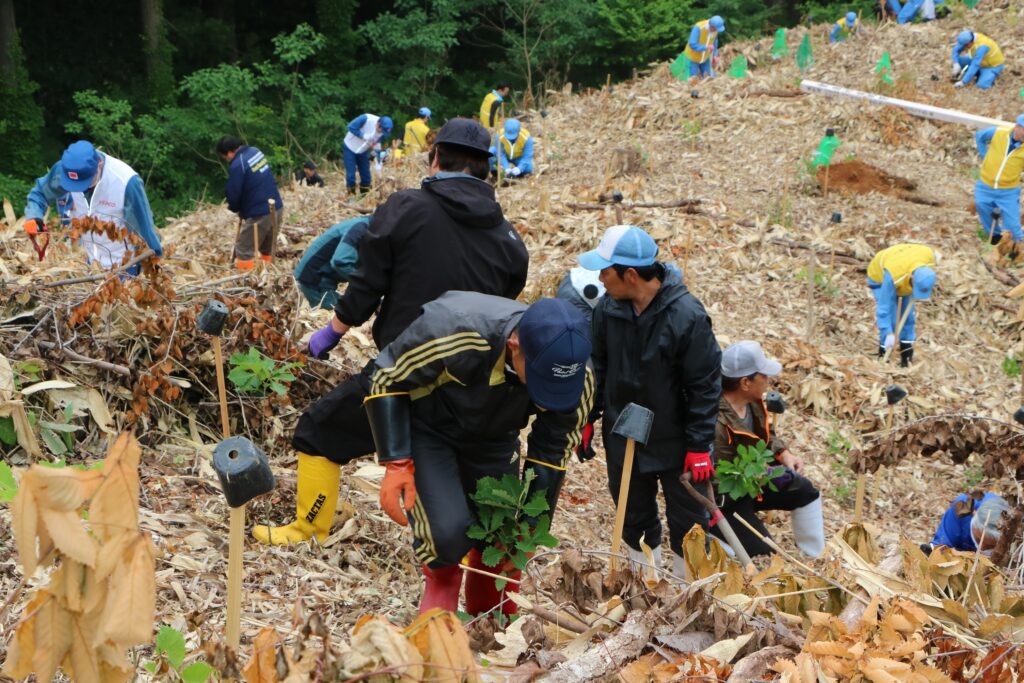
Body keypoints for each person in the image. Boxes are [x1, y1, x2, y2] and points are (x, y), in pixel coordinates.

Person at [252, 118, 530, 546]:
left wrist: (333, 331)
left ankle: (308, 528)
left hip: (403, 372)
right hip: (474, 385)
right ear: (486, 169)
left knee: (318, 431)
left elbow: (368, 283)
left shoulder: (406, 207)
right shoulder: (508, 237)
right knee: (467, 470)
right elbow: (505, 308)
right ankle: (479, 552)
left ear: (435, 156)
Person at [366, 292, 593, 615]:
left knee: (502, 534)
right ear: (515, 345)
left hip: (496, 436)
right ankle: (440, 599)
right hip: (431, 429)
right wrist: (397, 461)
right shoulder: (455, 331)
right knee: (447, 534)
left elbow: (553, 448)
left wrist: (531, 525)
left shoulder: (576, 373)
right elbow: (386, 376)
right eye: (540, 378)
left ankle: (490, 626)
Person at [581, 225, 722, 578]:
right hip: (624, 432)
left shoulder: (686, 316)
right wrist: (586, 416)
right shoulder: (606, 311)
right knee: (632, 516)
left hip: (675, 437)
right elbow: (597, 367)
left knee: (689, 521)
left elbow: (704, 385)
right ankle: (643, 588)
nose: (600, 277)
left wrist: (700, 445)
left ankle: (687, 594)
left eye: (605, 270)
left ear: (630, 275)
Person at [713, 341, 824, 559]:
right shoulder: (715, 421)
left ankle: (817, 558)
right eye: (763, 375)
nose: (768, 380)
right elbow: (715, 479)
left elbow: (766, 435)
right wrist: (754, 475)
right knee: (764, 553)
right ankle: (714, 536)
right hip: (725, 500)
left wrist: (783, 454)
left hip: (755, 483)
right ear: (745, 382)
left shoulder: (753, 402)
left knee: (805, 491)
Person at [24, 140, 163, 270]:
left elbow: (144, 229)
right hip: (92, 265)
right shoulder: (65, 170)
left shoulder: (126, 182)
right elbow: (40, 193)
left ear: (99, 165)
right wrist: (34, 216)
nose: (79, 189)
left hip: (125, 267)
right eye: (73, 185)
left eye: (84, 182)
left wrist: (154, 266)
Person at [216, 136, 284, 271]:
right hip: (276, 207)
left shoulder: (238, 164)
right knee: (267, 247)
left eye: (225, 157)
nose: (227, 160)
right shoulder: (255, 152)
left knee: (244, 250)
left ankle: (245, 282)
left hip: (259, 213)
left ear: (229, 152)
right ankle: (267, 276)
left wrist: (235, 207)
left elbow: (233, 192)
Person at [866, 244, 936, 367]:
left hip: (904, 270)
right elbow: (884, 308)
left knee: (908, 317)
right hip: (880, 277)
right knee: (892, 318)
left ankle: (906, 356)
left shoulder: (928, 258)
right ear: (912, 278)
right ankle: (884, 356)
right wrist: (888, 333)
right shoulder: (894, 275)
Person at [293, 216, 370, 310]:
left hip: (321, 280)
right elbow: (340, 262)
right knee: (352, 313)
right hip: (313, 282)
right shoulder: (361, 228)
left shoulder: (364, 224)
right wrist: (366, 284)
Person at [974, 116, 1024, 251]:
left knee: (1013, 227)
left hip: (1008, 191)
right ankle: (995, 236)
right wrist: (985, 156)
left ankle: (1017, 248)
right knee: (982, 206)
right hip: (985, 185)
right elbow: (979, 136)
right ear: (1017, 127)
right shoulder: (999, 133)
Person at [924, 492, 1009, 554]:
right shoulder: (963, 508)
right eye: (978, 540)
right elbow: (944, 541)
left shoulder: (1013, 526)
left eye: (990, 546)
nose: (982, 547)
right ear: (974, 514)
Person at [343, 113, 393, 194]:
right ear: (378, 124)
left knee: (366, 177)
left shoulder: (382, 133)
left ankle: (364, 195)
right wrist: (362, 135)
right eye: (381, 130)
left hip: (363, 151)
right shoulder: (366, 118)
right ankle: (351, 195)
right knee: (351, 175)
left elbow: (378, 145)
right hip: (350, 148)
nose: (381, 133)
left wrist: (379, 162)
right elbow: (351, 127)